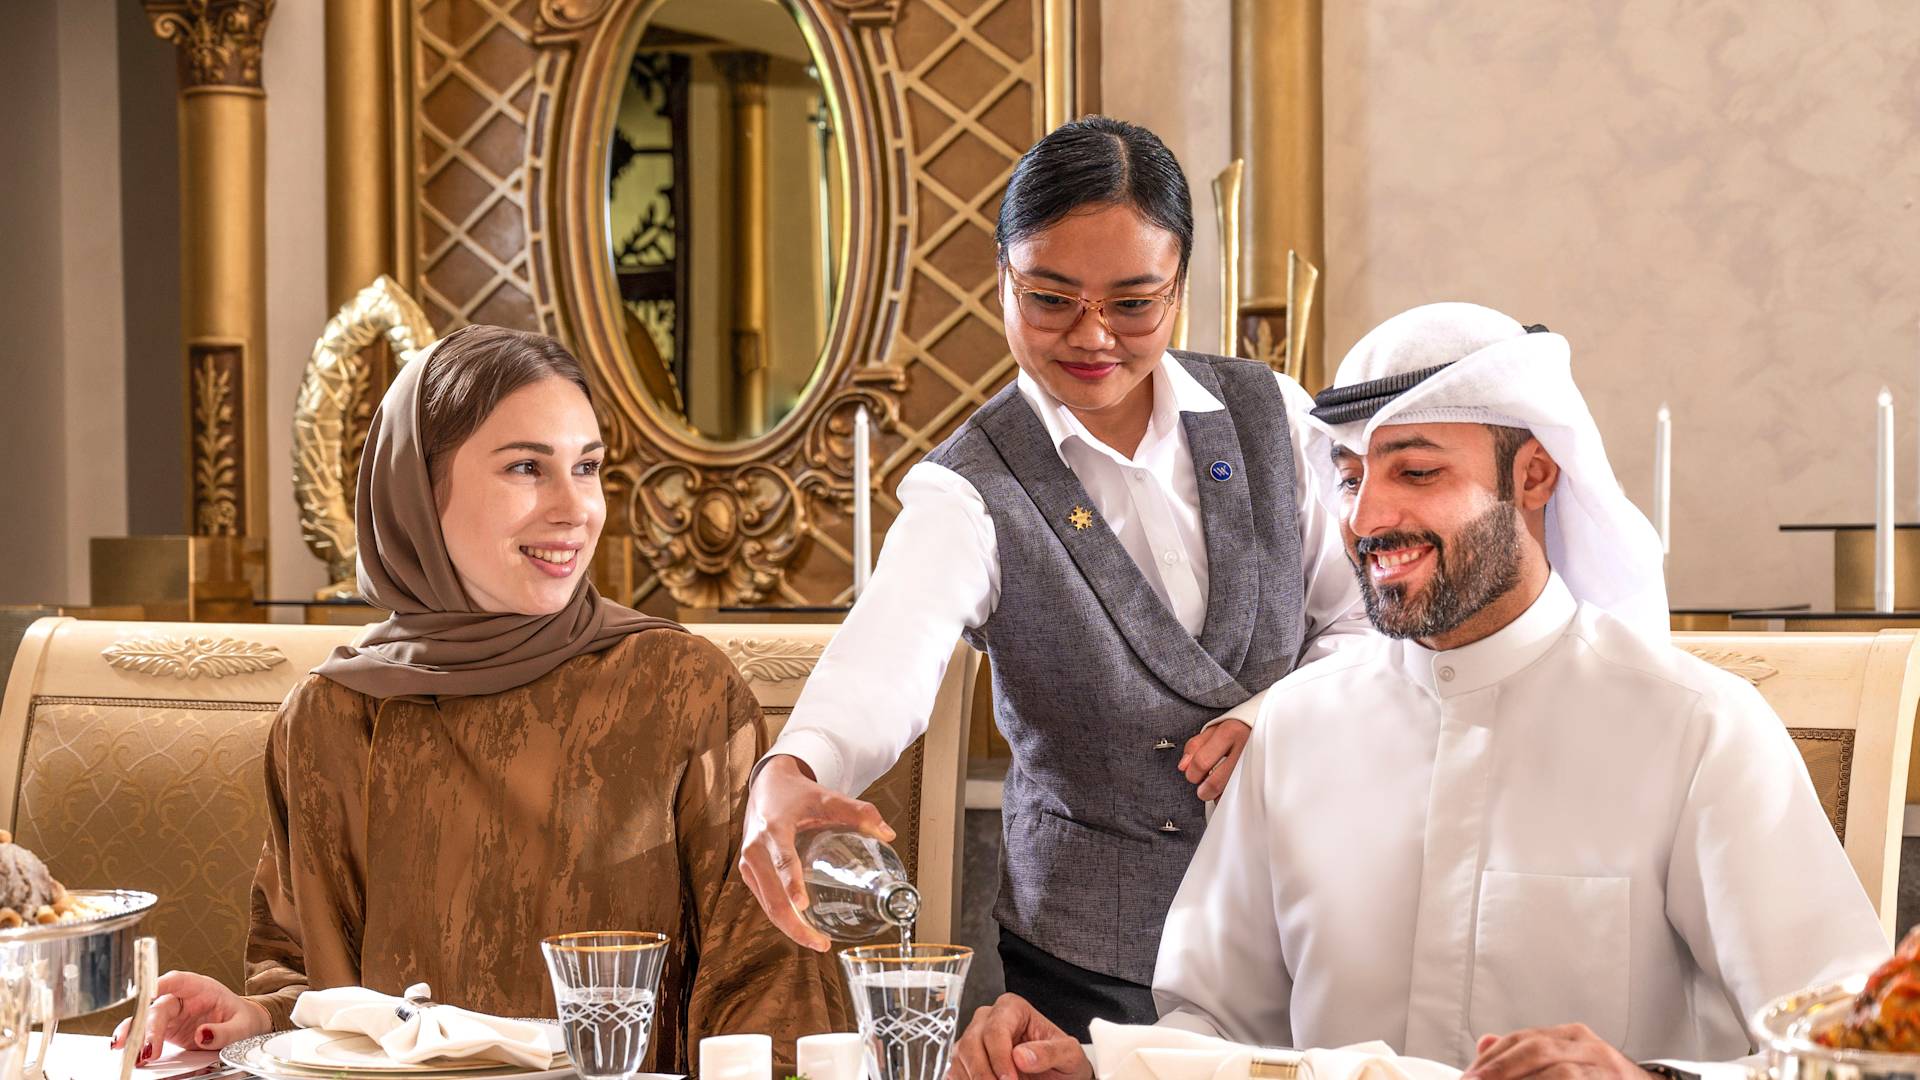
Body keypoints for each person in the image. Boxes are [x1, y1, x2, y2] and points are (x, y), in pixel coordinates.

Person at [951, 303, 1889, 1079]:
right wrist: (1087, 1065)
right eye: (1353, 477)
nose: (1368, 518)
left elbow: (1853, 1055)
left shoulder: (1696, 732)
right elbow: (1215, 1036)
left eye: (1417, 471)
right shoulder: (1295, 733)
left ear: (1534, 475)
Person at [739, 115, 1371, 1040]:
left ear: (1180, 288)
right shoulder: (969, 487)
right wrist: (789, 773)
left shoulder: (1270, 415)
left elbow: (1367, 626)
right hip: (1091, 964)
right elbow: (885, 662)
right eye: (1050, 298)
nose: (1093, 337)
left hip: (1303, 922)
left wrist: (1275, 719)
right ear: (1002, 279)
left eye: (1133, 302)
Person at [113, 325, 847, 1072]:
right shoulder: (333, 716)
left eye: (587, 467)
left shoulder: (680, 690)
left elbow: (773, 992)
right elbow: (310, 985)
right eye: (528, 467)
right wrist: (248, 1018)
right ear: (417, 491)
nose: (574, 508)